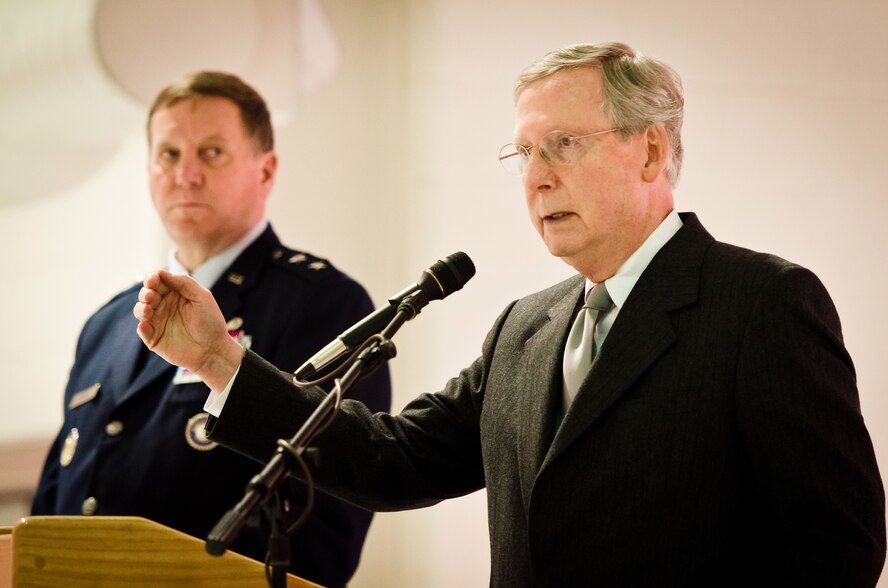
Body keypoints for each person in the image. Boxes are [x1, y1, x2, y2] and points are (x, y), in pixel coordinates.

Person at [133, 44, 886, 586]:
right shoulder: (525, 328)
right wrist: (219, 363)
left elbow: (838, 548)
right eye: (522, 152)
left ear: (651, 152)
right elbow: (395, 459)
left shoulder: (762, 305)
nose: (536, 177)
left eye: (563, 143)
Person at [32, 71, 391, 588]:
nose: (186, 174)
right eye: (169, 154)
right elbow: (52, 507)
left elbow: (324, 525)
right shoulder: (106, 325)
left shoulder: (322, 303)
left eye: (213, 152)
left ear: (265, 172)